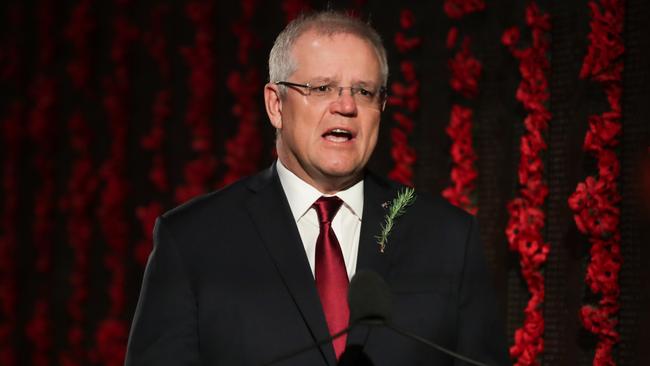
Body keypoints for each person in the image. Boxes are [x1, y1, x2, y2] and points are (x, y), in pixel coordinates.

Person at [125, 10, 509, 366]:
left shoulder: (447, 239)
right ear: (276, 105)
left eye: (364, 91)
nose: (345, 106)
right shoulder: (193, 241)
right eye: (323, 87)